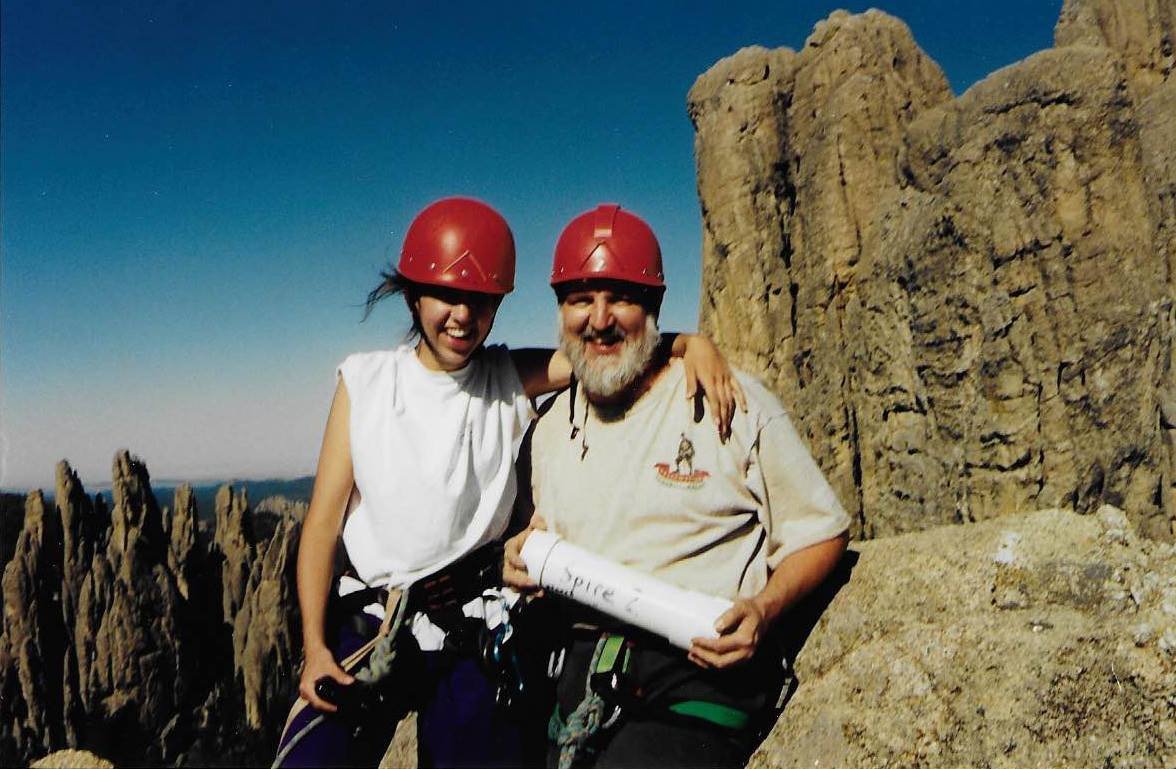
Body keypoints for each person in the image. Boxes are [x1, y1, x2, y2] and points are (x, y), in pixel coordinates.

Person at [272, 197, 742, 769]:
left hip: (473, 629)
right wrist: (315, 649)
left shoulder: (506, 376)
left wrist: (691, 344)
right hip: (371, 620)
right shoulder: (366, 382)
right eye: (447, 295)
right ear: (413, 294)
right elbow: (322, 525)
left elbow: (605, 352)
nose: (462, 317)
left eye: (481, 301)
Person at [503, 203, 851, 769]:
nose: (599, 319)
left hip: (698, 680)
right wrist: (519, 561)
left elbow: (822, 534)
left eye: (620, 297)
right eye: (580, 300)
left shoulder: (729, 404)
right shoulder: (548, 434)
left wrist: (763, 610)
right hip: (581, 682)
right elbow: (539, 540)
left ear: (654, 307)